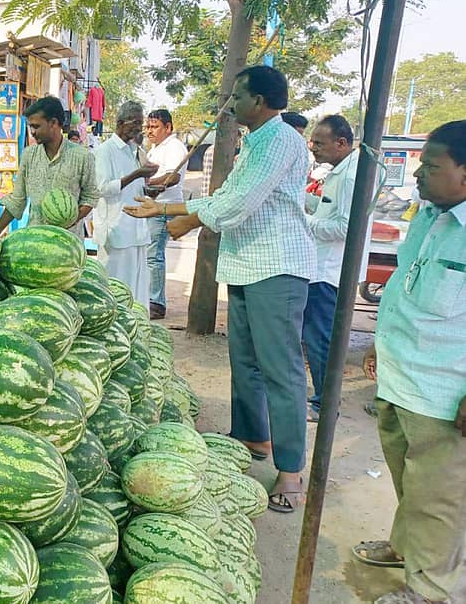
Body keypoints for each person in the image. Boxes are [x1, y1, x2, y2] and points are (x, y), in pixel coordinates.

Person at [124, 66, 316, 513]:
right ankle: (251, 435)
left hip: (277, 268)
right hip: (249, 265)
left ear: (263, 100)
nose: (230, 105)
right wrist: (186, 215)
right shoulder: (256, 142)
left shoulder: (280, 140)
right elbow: (228, 198)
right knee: (245, 360)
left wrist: (171, 209)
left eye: (239, 96)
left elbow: (235, 205)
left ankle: (291, 470)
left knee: (281, 371)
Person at [353, 121, 466, 604]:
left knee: (438, 499)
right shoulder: (428, 215)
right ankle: (406, 549)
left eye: (433, 167)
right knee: (407, 479)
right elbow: (406, 283)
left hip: (445, 393)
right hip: (402, 377)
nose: (419, 175)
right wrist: (381, 341)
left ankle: (430, 591)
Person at [302, 115, 368, 422]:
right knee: (316, 337)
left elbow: (345, 227)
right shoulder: (338, 172)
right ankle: (322, 397)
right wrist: (303, 202)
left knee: (319, 340)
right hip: (323, 266)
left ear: (341, 143)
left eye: (319, 142)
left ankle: (324, 403)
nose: (313, 147)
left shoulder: (351, 177)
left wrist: (304, 221)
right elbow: (329, 210)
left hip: (329, 271)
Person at [0, 96, 98, 239]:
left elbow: (90, 197)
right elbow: (17, 201)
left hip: (67, 243)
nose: (32, 132)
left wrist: (69, 221)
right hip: (35, 241)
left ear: (53, 123)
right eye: (31, 126)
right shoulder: (28, 155)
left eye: (36, 126)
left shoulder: (82, 156)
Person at [94, 101, 159, 302]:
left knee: (136, 291)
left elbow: (135, 189)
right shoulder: (105, 151)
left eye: (142, 123)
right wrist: (137, 173)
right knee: (115, 290)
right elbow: (103, 188)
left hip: (137, 230)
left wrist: (151, 190)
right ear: (121, 123)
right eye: (136, 123)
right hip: (117, 231)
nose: (140, 128)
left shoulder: (136, 151)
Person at [144, 108, 188, 319]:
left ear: (168, 127)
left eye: (155, 127)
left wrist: (146, 181)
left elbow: (173, 176)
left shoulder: (174, 147)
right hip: (153, 206)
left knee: (154, 256)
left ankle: (156, 303)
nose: (150, 131)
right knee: (149, 254)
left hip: (164, 207)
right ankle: (149, 298)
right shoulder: (155, 148)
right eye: (148, 127)